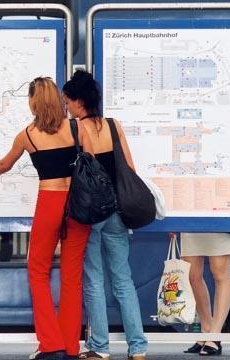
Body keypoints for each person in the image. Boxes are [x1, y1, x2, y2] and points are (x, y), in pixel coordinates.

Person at [0, 77, 92, 360]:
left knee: (38, 271)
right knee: (72, 275)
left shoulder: (27, 135)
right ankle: (71, 346)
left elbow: (6, 164)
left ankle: (50, 344)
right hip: (78, 204)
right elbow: (92, 160)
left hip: (50, 203)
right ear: (57, 99)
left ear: (33, 102)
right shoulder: (76, 127)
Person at [62, 70, 148, 360]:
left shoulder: (77, 129)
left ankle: (99, 347)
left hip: (91, 213)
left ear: (78, 102)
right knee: (123, 280)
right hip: (118, 213)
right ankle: (138, 348)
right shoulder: (114, 125)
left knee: (94, 280)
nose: (67, 106)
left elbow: (81, 175)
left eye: (69, 101)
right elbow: (130, 169)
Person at [181, 232, 230, 356]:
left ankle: (215, 334)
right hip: (189, 218)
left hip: (221, 218)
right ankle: (206, 328)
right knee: (191, 274)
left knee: (220, 273)